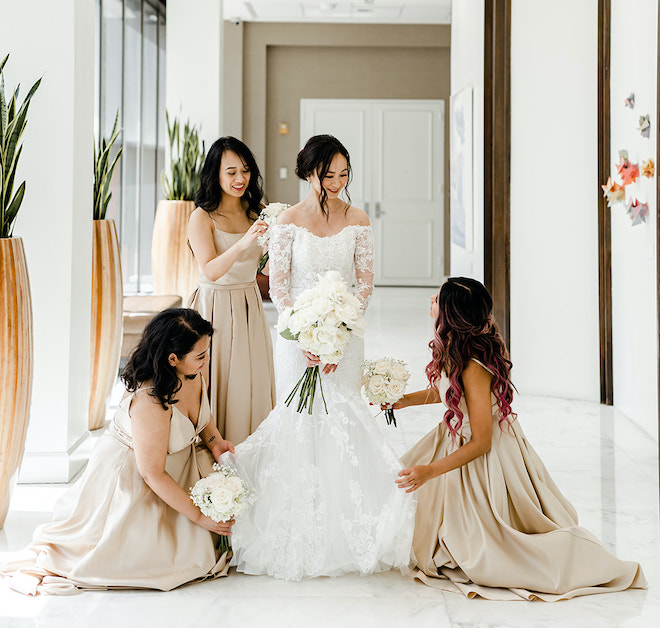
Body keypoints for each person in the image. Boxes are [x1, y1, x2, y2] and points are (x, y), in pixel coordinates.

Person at [219, 134, 416, 581]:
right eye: (329, 175)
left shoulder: (359, 219)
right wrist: (303, 334)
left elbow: (365, 283)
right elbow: (280, 286)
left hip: (344, 341)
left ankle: (350, 527)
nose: (337, 183)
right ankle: (300, 523)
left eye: (344, 175)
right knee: (299, 421)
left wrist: (340, 332)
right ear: (309, 172)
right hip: (295, 341)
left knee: (344, 420)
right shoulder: (286, 221)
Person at [390, 277, 647, 601]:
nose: (430, 297)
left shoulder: (474, 366)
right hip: (460, 438)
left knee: (487, 545)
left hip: (483, 454)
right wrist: (403, 399)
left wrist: (430, 471)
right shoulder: (458, 346)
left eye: (437, 297)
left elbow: (481, 441)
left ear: (450, 315)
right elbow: (451, 392)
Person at [1, 308, 235, 595]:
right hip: (135, 476)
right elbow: (152, 473)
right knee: (156, 558)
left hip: (173, 466)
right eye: (200, 355)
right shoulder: (150, 401)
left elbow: (202, 416)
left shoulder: (193, 373)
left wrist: (215, 442)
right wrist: (199, 517)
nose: (207, 360)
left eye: (206, 351)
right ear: (172, 358)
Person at [188, 136, 276, 445]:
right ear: (215, 174)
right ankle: (215, 449)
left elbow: (264, 270)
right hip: (214, 306)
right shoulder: (202, 217)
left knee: (249, 382)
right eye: (231, 172)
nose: (241, 179)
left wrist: (280, 245)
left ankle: (251, 452)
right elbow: (210, 269)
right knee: (216, 380)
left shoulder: (258, 212)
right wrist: (245, 241)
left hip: (249, 304)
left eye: (246, 170)